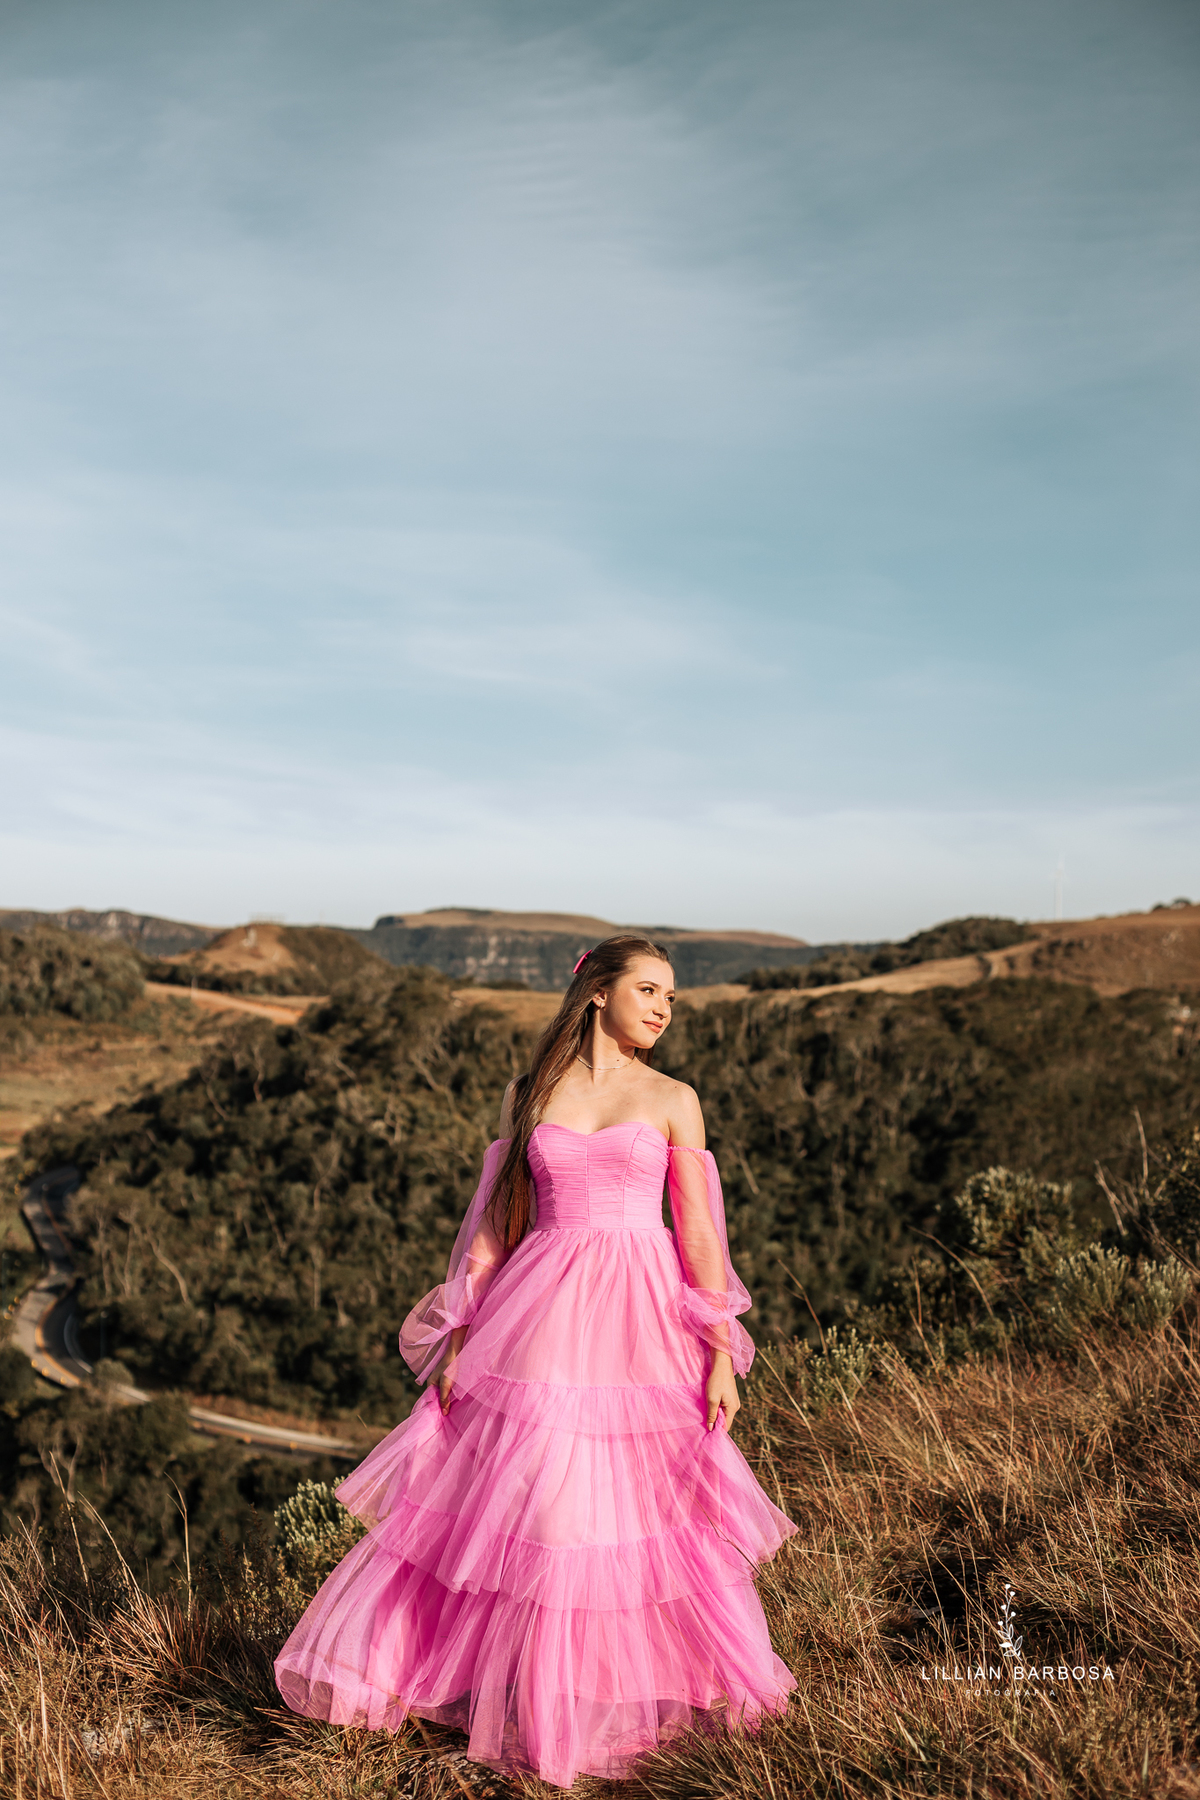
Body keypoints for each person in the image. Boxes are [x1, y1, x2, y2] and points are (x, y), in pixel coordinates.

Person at [274, 934, 796, 1788]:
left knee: (633, 1515)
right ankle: (525, 1704)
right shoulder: (530, 1094)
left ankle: (616, 1703)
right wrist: (457, 1335)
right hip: (537, 1312)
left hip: (641, 1321)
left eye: (673, 997)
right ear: (597, 992)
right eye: (651, 990)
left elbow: (699, 1234)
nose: (665, 1009)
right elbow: (493, 1225)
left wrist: (719, 1354)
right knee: (539, 1513)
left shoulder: (673, 1098)